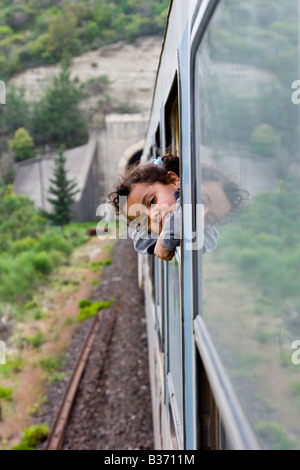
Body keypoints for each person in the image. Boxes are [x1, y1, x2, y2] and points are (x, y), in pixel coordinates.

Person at [108, 149, 248, 261]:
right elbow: (140, 242)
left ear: (175, 181)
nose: (201, 214)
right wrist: (162, 239)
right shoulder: (181, 200)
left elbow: (207, 239)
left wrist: (164, 241)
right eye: (200, 201)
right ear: (175, 181)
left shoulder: (187, 208)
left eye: (209, 219)